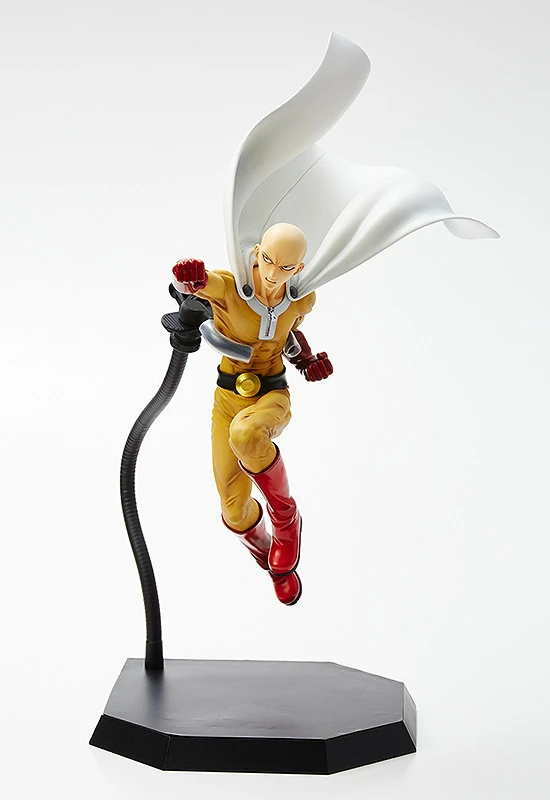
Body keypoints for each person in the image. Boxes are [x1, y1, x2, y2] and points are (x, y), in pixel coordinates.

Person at [172, 222, 332, 606]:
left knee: (246, 435)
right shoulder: (231, 287)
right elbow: (197, 284)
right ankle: (272, 562)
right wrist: (188, 277)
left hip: (271, 394)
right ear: (257, 253)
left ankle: (286, 520)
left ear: (299, 268)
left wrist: (306, 360)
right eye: (268, 260)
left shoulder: (301, 299)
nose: (274, 273)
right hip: (229, 397)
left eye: (286, 267)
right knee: (233, 510)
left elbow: (287, 333)